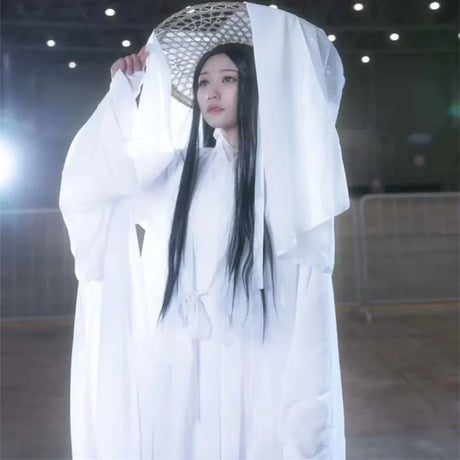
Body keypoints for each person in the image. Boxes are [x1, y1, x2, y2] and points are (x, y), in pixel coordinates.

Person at [60, 3, 350, 459]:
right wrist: (124, 94)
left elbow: (311, 297)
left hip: (263, 368)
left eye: (228, 79)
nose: (212, 92)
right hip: (188, 377)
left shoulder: (290, 180)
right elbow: (99, 184)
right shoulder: (184, 173)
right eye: (203, 82)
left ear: (257, 85)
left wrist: (307, 421)